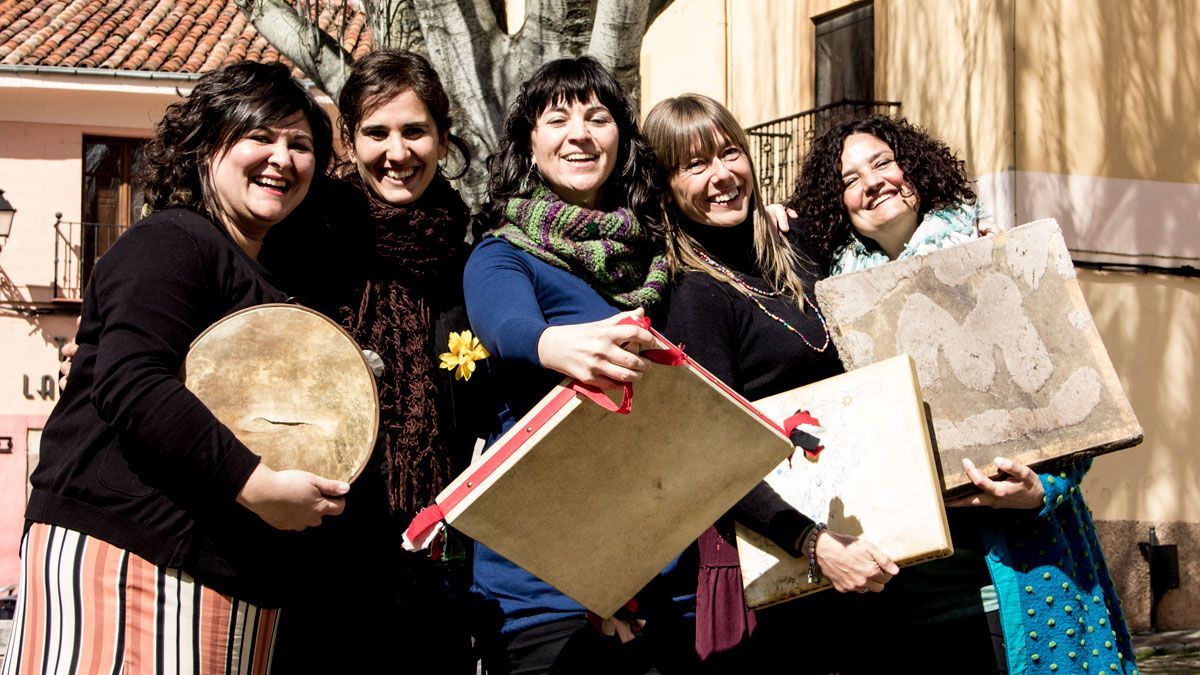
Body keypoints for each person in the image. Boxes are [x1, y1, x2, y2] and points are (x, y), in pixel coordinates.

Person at [4, 61, 341, 675]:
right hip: (129, 564)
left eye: (300, 145)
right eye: (260, 137)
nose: (283, 159)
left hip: (215, 581)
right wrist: (257, 485)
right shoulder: (173, 240)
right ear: (207, 147)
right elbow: (135, 382)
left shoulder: (267, 277)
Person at [789, 113, 1136, 674]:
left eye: (882, 162)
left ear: (915, 171)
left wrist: (1040, 490)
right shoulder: (834, 309)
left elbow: (1082, 409)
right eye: (850, 179)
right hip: (911, 594)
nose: (872, 181)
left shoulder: (1002, 257)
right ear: (837, 206)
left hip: (1027, 573)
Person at [644, 94, 899, 674]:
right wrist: (814, 544)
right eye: (694, 165)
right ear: (665, 187)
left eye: (730, 153)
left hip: (854, 536)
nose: (722, 176)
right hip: (767, 559)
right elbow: (711, 454)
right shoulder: (694, 298)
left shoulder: (801, 252)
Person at [463, 56, 698, 675]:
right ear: (529, 143)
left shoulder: (660, 249)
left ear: (621, 139)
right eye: (558, 119)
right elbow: (506, 325)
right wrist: (558, 347)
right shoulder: (502, 252)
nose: (580, 134)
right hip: (549, 582)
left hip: (667, 572)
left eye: (598, 118)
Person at [261, 49, 482, 673]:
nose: (398, 151)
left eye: (415, 131)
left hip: (431, 551)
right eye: (376, 132)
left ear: (441, 137)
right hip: (320, 543)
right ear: (351, 139)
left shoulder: (464, 258)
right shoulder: (305, 237)